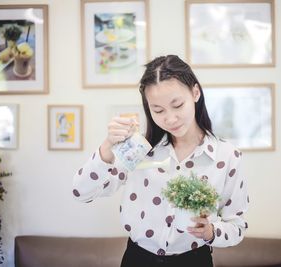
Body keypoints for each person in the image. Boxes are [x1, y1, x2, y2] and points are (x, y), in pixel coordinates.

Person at [72, 55, 249, 267]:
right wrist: (107, 147)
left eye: (177, 105)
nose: (170, 118)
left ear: (195, 93)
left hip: (193, 261)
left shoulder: (227, 156)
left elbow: (236, 226)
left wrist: (211, 231)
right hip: (138, 259)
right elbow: (82, 192)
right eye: (158, 110)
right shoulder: (139, 150)